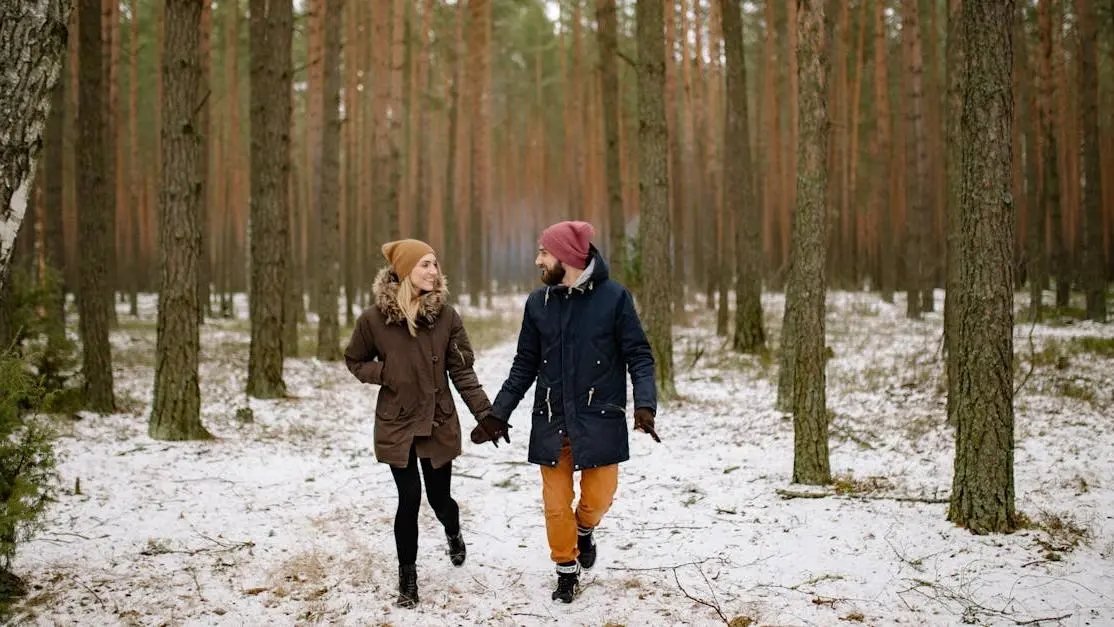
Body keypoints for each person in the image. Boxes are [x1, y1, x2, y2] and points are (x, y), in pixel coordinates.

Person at [470, 220, 660, 604]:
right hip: (552, 420)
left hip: (599, 417)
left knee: (599, 497)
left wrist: (644, 404)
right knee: (556, 506)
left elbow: (638, 355)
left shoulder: (615, 298)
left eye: (544, 252)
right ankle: (565, 569)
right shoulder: (538, 304)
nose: (537, 259)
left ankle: (586, 529)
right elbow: (524, 365)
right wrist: (497, 414)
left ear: (567, 257)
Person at [343, 238, 493, 609]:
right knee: (409, 498)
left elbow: (463, 371)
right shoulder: (373, 320)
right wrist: (385, 372)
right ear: (405, 269)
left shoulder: (447, 317)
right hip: (397, 422)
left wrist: (486, 414)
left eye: (435, 264)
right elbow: (354, 360)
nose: (433, 271)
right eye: (425, 264)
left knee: (440, 500)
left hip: (438, 420)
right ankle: (407, 579)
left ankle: (453, 531)